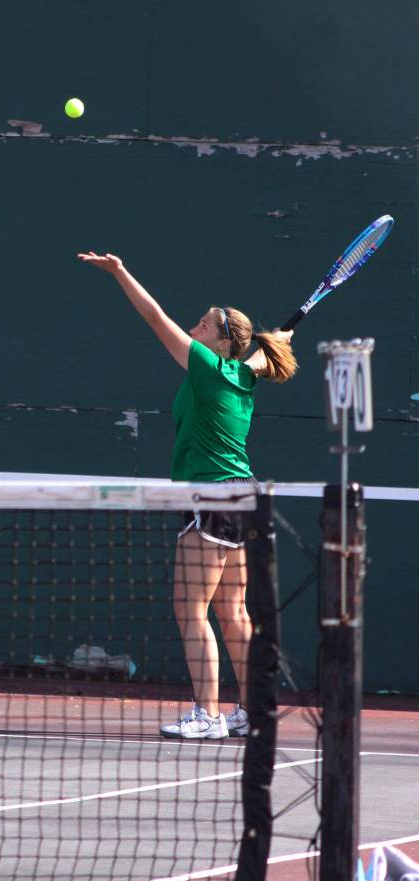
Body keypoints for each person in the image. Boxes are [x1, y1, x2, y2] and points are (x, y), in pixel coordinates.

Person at [78, 251, 297, 739]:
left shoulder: (206, 366)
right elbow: (259, 358)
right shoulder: (244, 375)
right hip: (243, 498)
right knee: (232, 611)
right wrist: (274, 343)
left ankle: (208, 714)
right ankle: (254, 712)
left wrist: (120, 273)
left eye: (203, 324)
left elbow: (155, 317)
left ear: (221, 343)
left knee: (190, 606)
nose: (194, 328)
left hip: (212, 496)